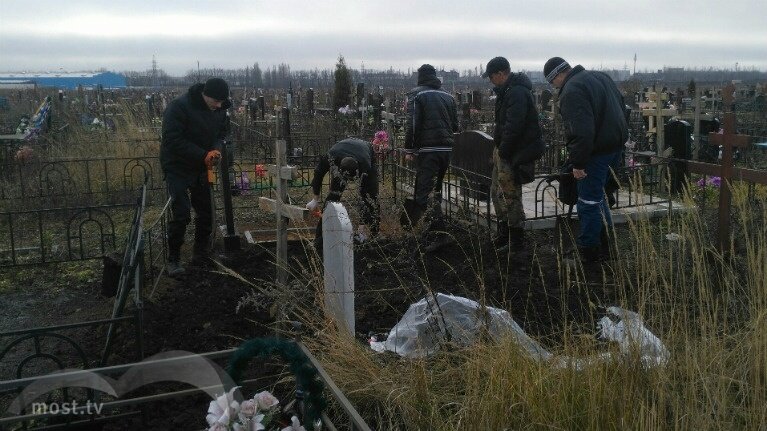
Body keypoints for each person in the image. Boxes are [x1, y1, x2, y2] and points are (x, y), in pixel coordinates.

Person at [543, 57, 628, 263]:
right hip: (615, 146)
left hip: (595, 152)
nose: (552, 86)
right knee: (600, 196)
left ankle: (589, 251)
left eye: (551, 82)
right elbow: (621, 108)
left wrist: (578, 164)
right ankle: (607, 246)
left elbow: (580, 130)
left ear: (557, 76)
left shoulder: (572, 90)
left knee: (588, 201)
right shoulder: (600, 77)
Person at [161, 77, 231, 275]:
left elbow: (222, 133)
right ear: (204, 95)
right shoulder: (179, 107)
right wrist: (202, 154)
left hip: (202, 166)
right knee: (182, 212)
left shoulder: (219, 108)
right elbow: (172, 140)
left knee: (206, 212)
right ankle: (173, 259)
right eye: (215, 101)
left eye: (221, 102)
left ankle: (200, 254)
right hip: (178, 166)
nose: (218, 106)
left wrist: (216, 150)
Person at [483, 56, 545, 253]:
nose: (490, 81)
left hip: (512, 151)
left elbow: (514, 126)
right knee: (496, 192)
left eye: (492, 76)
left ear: (501, 73)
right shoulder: (507, 91)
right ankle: (504, 233)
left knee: (509, 195)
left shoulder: (517, 92)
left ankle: (516, 240)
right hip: (504, 149)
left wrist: (504, 151)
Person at [401, 64, 459, 232]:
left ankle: (439, 232)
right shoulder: (448, 96)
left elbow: (413, 124)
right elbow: (455, 126)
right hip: (446, 151)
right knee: (437, 188)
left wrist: (410, 149)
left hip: (428, 151)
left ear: (420, 77)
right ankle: (433, 227)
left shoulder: (417, 94)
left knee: (423, 193)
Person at [307, 138, 380, 247]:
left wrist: (361, 226)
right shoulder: (331, 156)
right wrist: (315, 199)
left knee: (372, 197)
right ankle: (318, 239)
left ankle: (372, 234)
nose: (349, 181)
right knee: (332, 199)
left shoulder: (365, 164)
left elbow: (365, 197)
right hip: (342, 151)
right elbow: (318, 173)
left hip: (365, 151)